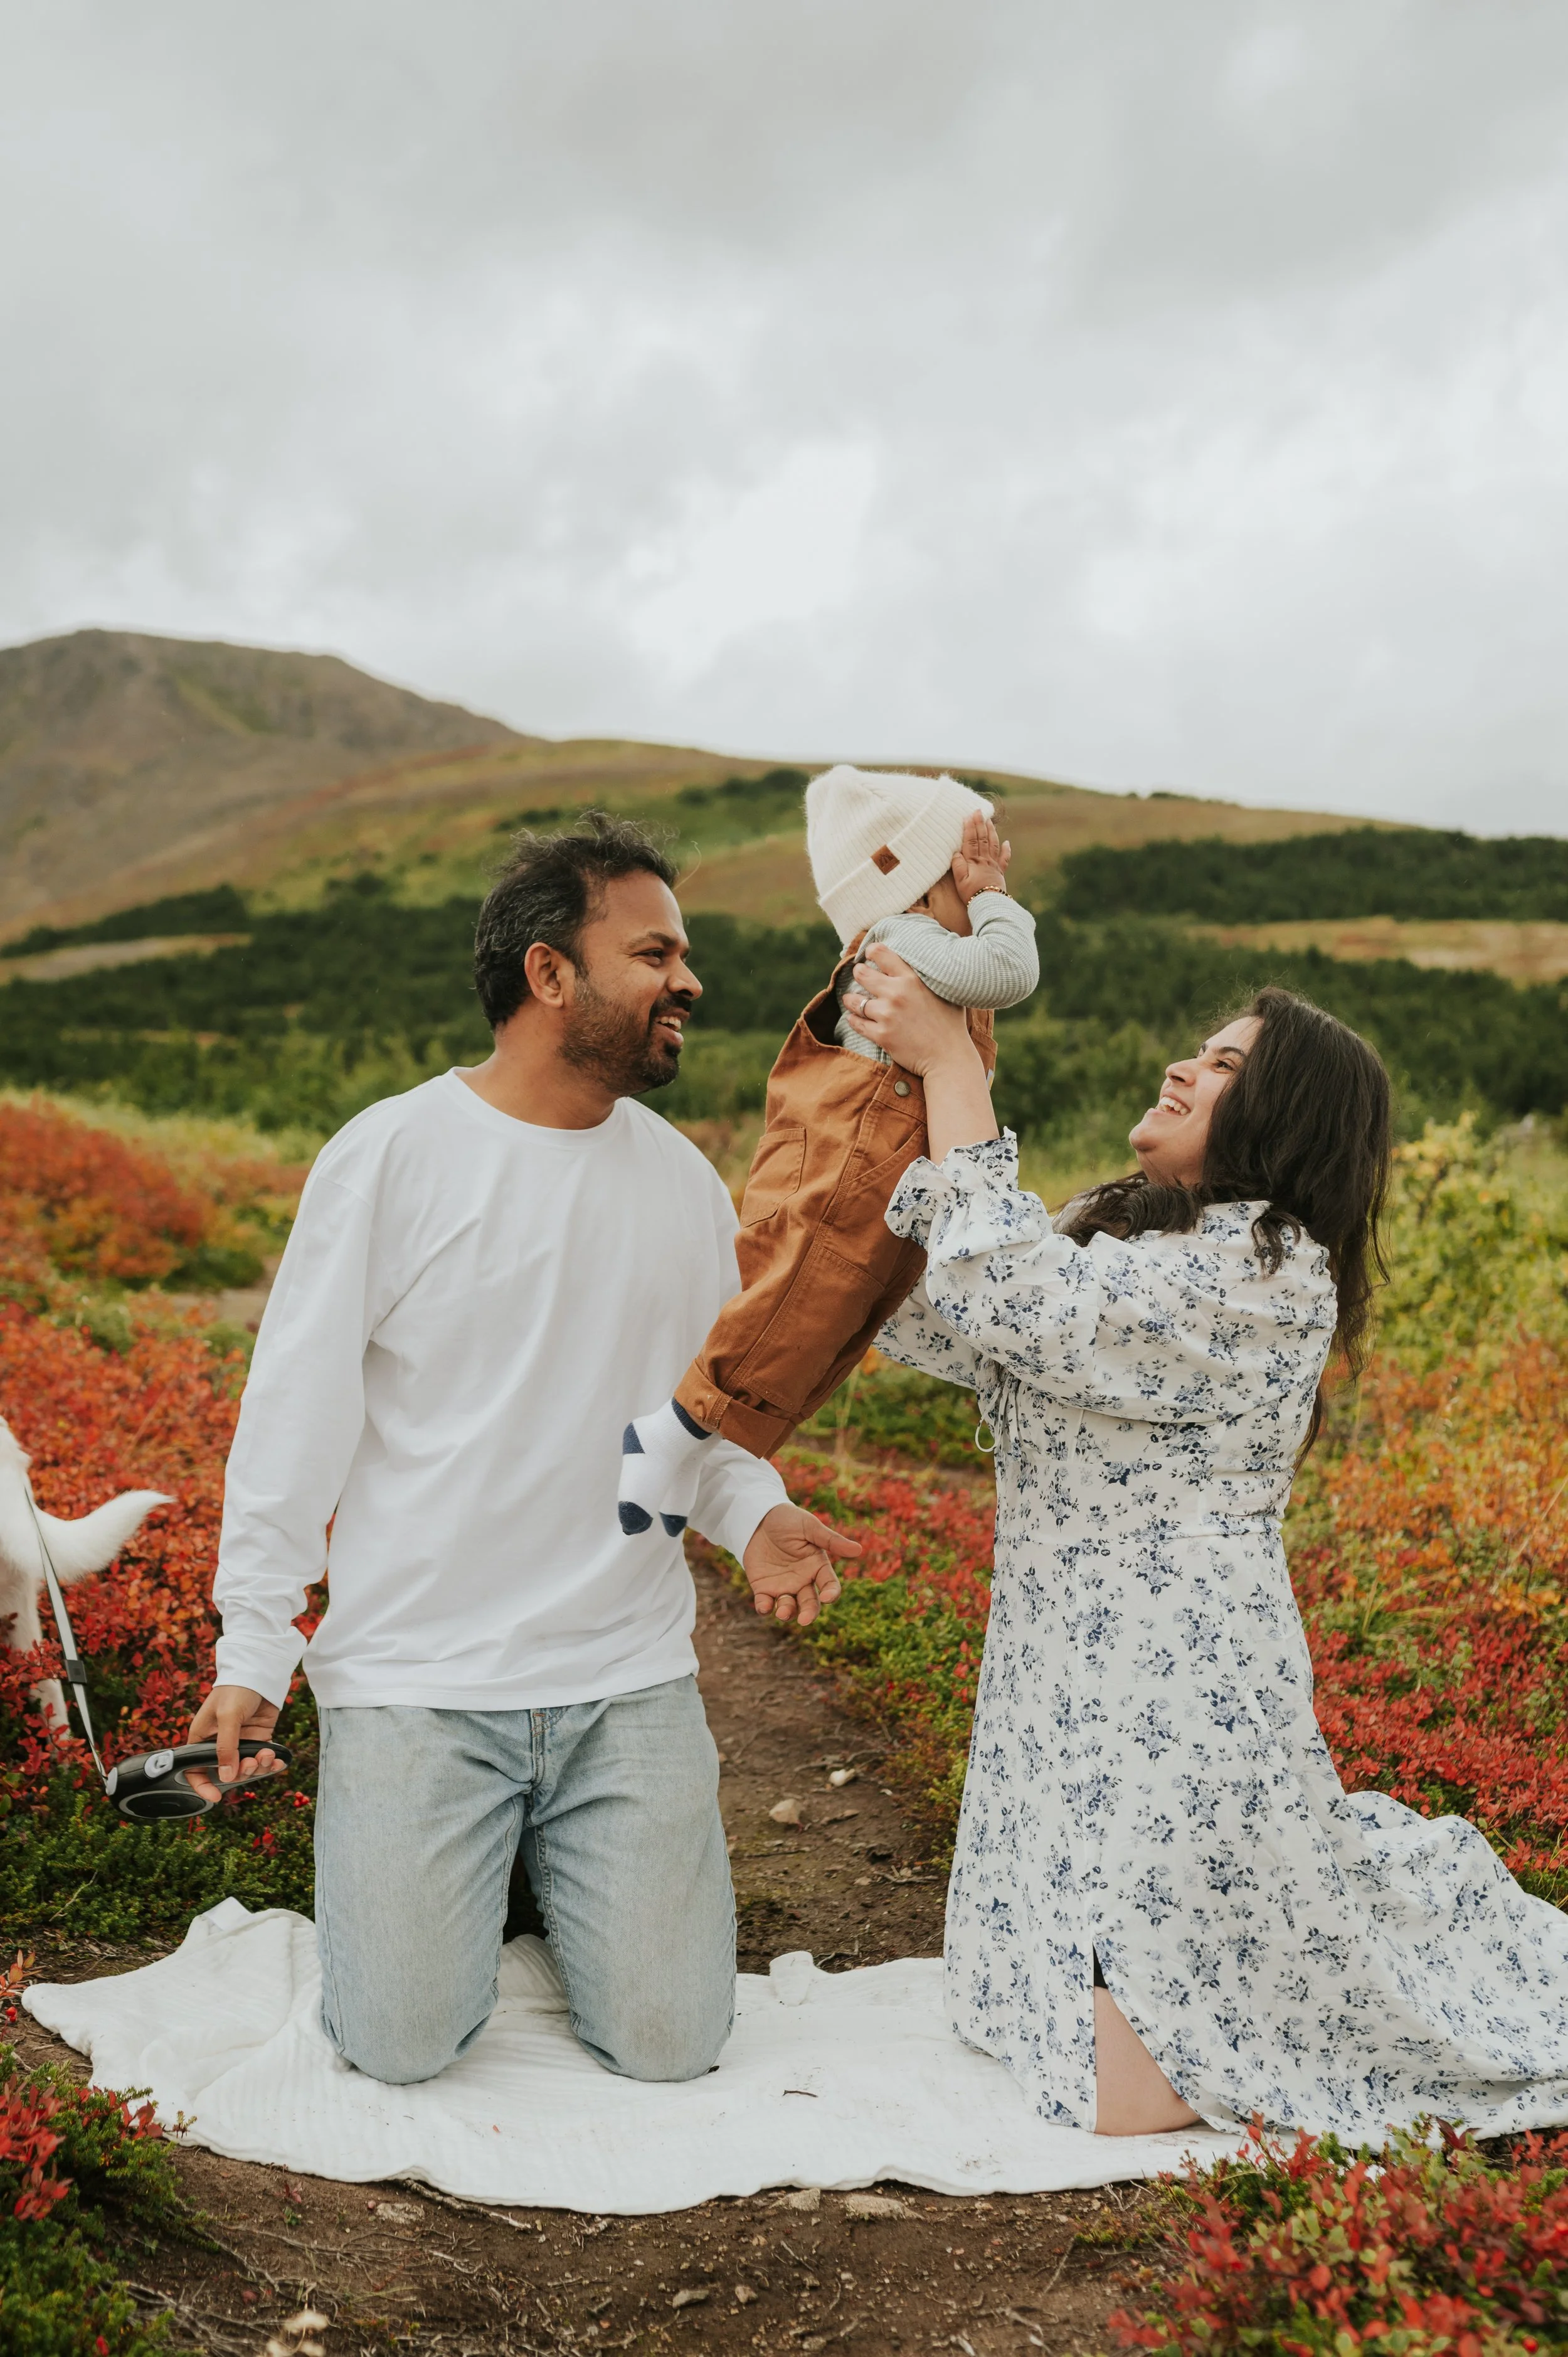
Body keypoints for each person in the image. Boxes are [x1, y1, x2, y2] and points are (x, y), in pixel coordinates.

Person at [847, 946, 1568, 2142]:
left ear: (1283, 1118)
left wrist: (947, 1073)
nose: (1186, 1065)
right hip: (1058, 1686)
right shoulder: (1124, 1242)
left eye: (1228, 1063)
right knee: (1013, 2018)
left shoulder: (1271, 1275)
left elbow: (1013, 1301)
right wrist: (928, 1066)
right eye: (1203, 1047)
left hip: (1179, 1702)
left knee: (1112, 2093)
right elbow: (941, 1317)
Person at [186, 814, 859, 2088]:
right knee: (395, 2045)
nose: (689, 982)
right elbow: (296, 1417)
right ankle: (495, 1876)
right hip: (419, 1681)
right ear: (550, 975)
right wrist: (255, 1650)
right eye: (654, 952)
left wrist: (753, 1511)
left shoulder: (678, 1185)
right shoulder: (391, 1157)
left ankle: (549, 1878)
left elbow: (686, 1422)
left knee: (670, 2045)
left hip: (623, 1678)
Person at [617, 764, 1039, 1533]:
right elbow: (1009, 970)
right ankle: (674, 1430)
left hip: (879, 1157)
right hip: (858, 1145)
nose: (987, 875)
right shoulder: (905, 936)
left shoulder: (913, 942)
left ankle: (711, 1451)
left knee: (837, 1318)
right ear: (917, 877)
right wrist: (994, 901)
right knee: (801, 1294)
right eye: (966, 864)